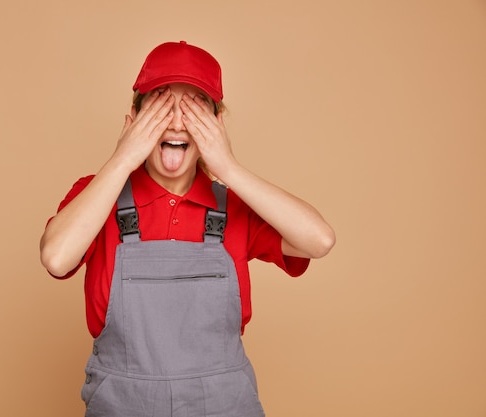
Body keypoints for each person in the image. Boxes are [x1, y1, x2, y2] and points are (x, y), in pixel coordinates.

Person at [40, 40, 335, 417]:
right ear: (133, 119)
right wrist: (121, 159)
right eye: (162, 107)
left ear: (217, 124)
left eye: (194, 110)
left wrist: (229, 168)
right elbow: (57, 258)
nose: (178, 122)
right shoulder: (97, 196)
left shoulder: (235, 207)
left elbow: (320, 240)